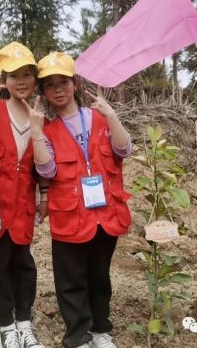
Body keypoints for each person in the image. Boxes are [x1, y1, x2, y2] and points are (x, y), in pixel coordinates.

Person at [24, 52, 132, 348]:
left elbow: (124, 150)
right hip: (70, 216)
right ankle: (78, 336)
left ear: (75, 84)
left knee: (99, 277)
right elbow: (47, 169)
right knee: (71, 281)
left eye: (64, 82)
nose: (58, 89)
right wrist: (35, 132)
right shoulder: (47, 129)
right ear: (43, 92)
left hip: (104, 215)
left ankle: (101, 330)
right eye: (50, 85)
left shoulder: (99, 118)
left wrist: (111, 115)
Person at [0, 42, 47, 348]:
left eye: (27, 74)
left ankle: (25, 323)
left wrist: (45, 197)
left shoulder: (40, 120)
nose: (21, 81)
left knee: (25, 266)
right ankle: (6, 328)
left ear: (35, 80)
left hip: (24, 209)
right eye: (14, 75)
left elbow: (40, 167)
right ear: (4, 79)